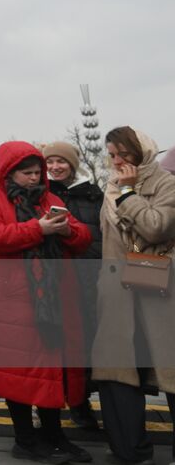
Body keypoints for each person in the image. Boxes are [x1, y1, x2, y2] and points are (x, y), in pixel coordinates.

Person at [0, 141, 93, 463]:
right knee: (20, 369)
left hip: (48, 299)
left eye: (37, 172)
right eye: (27, 173)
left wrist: (66, 231)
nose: (35, 178)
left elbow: (83, 238)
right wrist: (38, 229)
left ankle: (54, 436)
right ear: (9, 173)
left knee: (49, 368)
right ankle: (25, 439)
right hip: (8, 300)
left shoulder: (49, 199)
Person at [90, 127, 175, 465]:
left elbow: (157, 226)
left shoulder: (165, 183)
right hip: (117, 293)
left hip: (158, 290)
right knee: (120, 370)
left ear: (142, 152)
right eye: (112, 155)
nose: (118, 161)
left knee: (169, 366)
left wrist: (129, 194)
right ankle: (130, 448)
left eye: (124, 153)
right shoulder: (110, 186)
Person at [43, 140, 104, 431]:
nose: (55, 167)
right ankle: (51, 402)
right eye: (50, 162)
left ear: (72, 164)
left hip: (88, 274)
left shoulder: (92, 194)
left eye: (61, 162)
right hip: (54, 276)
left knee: (88, 339)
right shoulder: (40, 193)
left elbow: (102, 235)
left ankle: (81, 402)